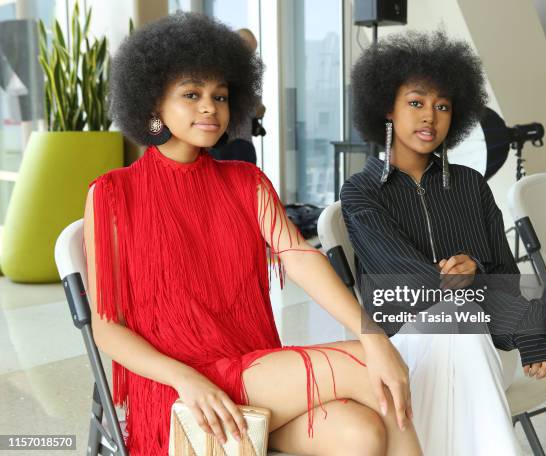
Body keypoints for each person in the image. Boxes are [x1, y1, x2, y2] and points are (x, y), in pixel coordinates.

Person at [84, 13, 421, 455]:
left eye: (220, 96)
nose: (210, 107)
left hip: (255, 374)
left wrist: (372, 331)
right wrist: (186, 379)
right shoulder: (112, 194)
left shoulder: (246, 181)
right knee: (369, 365)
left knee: (363, 431)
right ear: (152, 104)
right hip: (180, 391)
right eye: (191, 94)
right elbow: (106, 330)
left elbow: (298, 256)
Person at [341, 30, 546, 455]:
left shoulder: (472, 187)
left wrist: (482, 278)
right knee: (454, 318)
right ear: (387, 108)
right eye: (416, 103)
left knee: (459, 321)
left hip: (479, 338)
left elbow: (505, 278)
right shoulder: (361, 192)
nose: (430, 117)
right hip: (400, 344)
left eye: (442, 106)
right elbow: (404, 281)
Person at [210, 27, 266, 165]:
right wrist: (257, 108)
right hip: (234, 144)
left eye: (252, 51)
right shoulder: (233, 73)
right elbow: (253, 108)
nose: (250, 55)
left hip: (220, 142)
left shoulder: (215, 68)